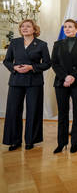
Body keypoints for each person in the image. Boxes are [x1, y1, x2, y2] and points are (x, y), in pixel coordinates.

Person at [2, 19, 51, 151]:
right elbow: (7, 61)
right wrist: (14, 68)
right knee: (13, 111)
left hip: (34, 82)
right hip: (16, 80)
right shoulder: (14, 43)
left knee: (33, 110)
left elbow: (47, 63)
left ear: (34, 29)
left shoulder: (41, 44)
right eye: (22, 26)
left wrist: (31, 67)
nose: (24, 28)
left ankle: (31, 140)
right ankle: (14, 141)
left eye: (28, 26)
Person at [51, 19, 77, 154]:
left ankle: (75, 143)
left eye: (70, 27)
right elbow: (54, 63)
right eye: (65, 27)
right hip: (61, 82)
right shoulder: (57, 44)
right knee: (63, 113)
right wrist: (65, 77)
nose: (67, 29)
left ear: (76, 29)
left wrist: (72, 76)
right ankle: (61, 143)